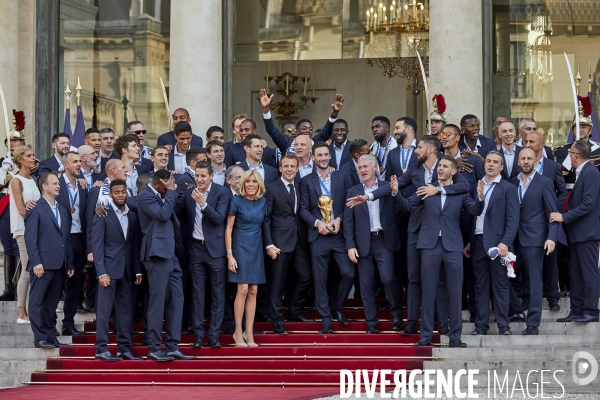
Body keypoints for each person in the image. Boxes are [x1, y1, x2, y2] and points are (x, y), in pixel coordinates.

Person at [396, 155, 483, 347]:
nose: (440, 169)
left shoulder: (459, 191)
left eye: (445, 166)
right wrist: (396, 193)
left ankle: (455, 337)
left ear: (454, 171)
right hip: (429, 244)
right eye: (439, 166)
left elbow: (474, 210)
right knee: (428, 291)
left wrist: (481, 198)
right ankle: (425, 336)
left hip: (453, 246)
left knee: (455, 292)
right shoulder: (426, 188)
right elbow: (408, 206)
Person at [343, 154, 404, 333]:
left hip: (383, 239)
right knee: (366, 284)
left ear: (375, 168)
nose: (362, 170)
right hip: (362, 242)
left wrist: (396, 191)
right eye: (360, 168)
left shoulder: (386, 187)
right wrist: (350, 245)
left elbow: (402, 208)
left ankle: (397, 315)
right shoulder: (352, 191)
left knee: (387, 277)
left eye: (365, 167)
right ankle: (371, 323)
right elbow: (348, 221)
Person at [137, 169, 194, 361]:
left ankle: (172, 346)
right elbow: (162, 215)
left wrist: (169, 192)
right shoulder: (145, 197)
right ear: (157, 183)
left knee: (177, 301)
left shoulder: (163, 195)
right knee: (157, 301)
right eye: (168, 183)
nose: (172, 187)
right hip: (156, 254)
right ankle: (154, 347)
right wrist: (170, 192)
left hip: (172, 255)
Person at [176, 161, 231, 348]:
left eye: (203, 176)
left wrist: (203, 203)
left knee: (217, 294)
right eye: (197, 176)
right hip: (196, 249)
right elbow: (176, 212)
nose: (199, 179)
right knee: (197, 295)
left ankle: (214, 335)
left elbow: (218, 219)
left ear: (211, 176)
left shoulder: (222, 192)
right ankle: (199, 335)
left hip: (216, 250)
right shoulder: (189, 192)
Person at [300, 141, 354, 333]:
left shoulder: (343, 176)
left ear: (330, 156)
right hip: (318, 235)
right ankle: (326, 319)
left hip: (339, 235)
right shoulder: (306, 181)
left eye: (325, 155)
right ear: (313, 158)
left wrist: (339, 219)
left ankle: (337, 307)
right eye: (319, 155)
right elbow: (304, 210)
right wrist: (318, 224)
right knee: (320, 279)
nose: (323, 158)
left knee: (348, 273)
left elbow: (349, 202)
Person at [466, 150, 519, 335]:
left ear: (501, 167)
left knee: (501, 284)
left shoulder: (508, 188)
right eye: (488, 161)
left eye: (495, 162)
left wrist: (505, 242)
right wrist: (469, 242)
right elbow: (472, 214)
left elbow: (513, 219)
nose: (490, 164)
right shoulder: (476, 186)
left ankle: (504, 325)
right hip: (478, 241)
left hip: (498, 244)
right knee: (480, 285)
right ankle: (481, 325)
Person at [92, 179, 143, 361]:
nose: (120, 195)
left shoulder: (132, 216)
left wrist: (137, 270)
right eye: (117, 192)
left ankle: (124, 348)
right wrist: (101, 272)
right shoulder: (102, 215)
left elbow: (134, 246)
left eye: (123, 192)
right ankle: (101, 348)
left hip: (127, 272)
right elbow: (97, 246)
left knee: (124, 312)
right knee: (104, 311)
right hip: (108, 271)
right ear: (111, 194)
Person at [550, 140, 600, 323]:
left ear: (576, 155)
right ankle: (577, 309)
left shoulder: (591, 173)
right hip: (577, 233)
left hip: (587, 233)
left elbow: (588, 204)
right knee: (577, 274)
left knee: (589, 272)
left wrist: (565, 217)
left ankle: (592, 310)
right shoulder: (583, 173)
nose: (569, 156)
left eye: (570, 153)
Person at [264, 155, 313, 334]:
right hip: (279, 242)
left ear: (297, 169)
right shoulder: (271, 189)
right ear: (280, 168)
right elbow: (266, 219)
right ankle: (277, 323)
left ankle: (294, 311)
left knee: (306, 276)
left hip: (299, 240)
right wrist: (269, 243)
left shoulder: (301, 187)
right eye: (286, 166)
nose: (290, 169)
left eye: (293, 166)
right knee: (278, 285)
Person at [510, 148, 557, 335]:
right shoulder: (510, 183)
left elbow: (552, 214)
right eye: (523, 158)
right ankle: (514, 311)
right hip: (512, 240)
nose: (526, 161)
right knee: (503, 277)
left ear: (536, 161)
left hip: (535, 240)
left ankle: (533, 324)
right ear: (518, 162)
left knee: (535, 281)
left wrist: (551, 237)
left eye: (530, 158)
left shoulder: (545, 183)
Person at [25, 172, 74, 348]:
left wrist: (69, 262)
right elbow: (30, 238)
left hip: (60, 264)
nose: (58, 186)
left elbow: (65, 238)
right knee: (37, 301)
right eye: (54, 183)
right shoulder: (35, 208)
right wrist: (36, 261)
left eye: (58, 183)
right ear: (44, 186)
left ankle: (50, 335)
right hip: (42, 264)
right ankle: (39, 337)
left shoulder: (62, 209)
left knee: (52, 303)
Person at [524, 131, 566, 310]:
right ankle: (530, 296)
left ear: (541, 145)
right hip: (529, 223)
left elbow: (562, 190)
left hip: (548, 219)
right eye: (526, 141)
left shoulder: (553, 166)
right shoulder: (524, 164)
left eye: (532, 142)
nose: (528, 144)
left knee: (550, 259)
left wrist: (552, 207)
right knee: (529, 262)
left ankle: (553, 298)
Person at [226, 170, 268, 346]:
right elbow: (228, 228)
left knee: (253, 291)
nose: (251, 184)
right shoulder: (236, 201)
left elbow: (265, 226)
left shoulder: (263, 202)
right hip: (240, 246)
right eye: (248, 181)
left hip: (256, 248)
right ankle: (237, 331)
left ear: (259, 184)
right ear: (243, 184)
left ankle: (249, 333)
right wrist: (230, 255)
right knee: (242, 289)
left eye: (254, 181)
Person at [56, 152, 88, 336]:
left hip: (79, 239)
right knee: (58, 283)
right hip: (62, 239)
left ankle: (68, 323)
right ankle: (50, 323)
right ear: (65, 165)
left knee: (75, 283)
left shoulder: (83, 186)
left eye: (80, 161)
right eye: (75, 161)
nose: (79, 164)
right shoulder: (57, 185)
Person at [9, 145, 41, 324]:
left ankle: (32, 308)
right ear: (20, 159)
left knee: (34, 269)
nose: (33, 158)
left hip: (36, 230)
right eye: (29, 155)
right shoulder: (16, 180)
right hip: (23, 230)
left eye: (33, 155)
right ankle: (21, 312)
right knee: (28, 270)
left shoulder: (34, 179)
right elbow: (22, 209)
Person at [0, 126, 26, 301]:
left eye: (16, 141)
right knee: (8, 246)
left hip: (20, 205)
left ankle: (20, 286)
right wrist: (3, 170)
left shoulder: (31, 161)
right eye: (9, 142)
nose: (12, 144)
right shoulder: (2, 162)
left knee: (19, 245)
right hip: (4, 206)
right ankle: (9, 287)